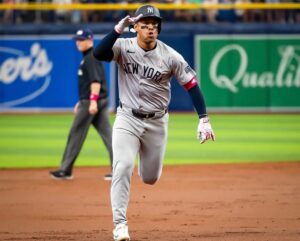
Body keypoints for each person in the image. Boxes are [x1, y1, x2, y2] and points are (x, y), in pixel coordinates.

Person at [93, 5, 215, 241]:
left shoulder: (170, 56)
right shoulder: (122, 46)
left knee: (150, 178)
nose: (150, 28)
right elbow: (99, 54)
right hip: (127, 117)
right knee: (123, 167)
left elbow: (192, 86)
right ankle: (120, 225)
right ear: (135, 27)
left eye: (154, 25)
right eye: (145, 24)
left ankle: (139, 156)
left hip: (157, 122)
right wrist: (117, 29)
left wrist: (204, 119)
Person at [50, 28, 113, 181]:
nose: (78, 42)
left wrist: (91, 101)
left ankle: (65, 170)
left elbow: (96, 82)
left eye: (81, 39)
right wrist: (83, 100)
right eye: (77, 40)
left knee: (76, 133)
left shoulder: (91, 58)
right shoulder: (90, 57)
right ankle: (120, 169)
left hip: (93, 102)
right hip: (98, 100)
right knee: (109, 136)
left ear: (90, 40)